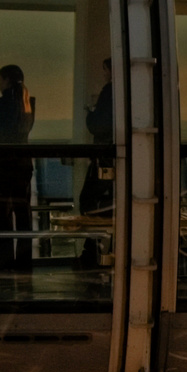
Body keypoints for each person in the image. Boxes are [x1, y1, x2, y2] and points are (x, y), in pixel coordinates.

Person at [0, 64, 36, 271]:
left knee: (2, 212)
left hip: (2, 164)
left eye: (0, 79)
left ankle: (3, 259)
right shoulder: (28, 103)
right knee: (23, 212)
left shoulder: (2, 104)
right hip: (23, 163)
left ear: (7, 80)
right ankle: (24, 260)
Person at [79, 58, 115, 267]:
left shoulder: (109, 91)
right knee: (109, 199)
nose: (104, 75)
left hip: (104, 157)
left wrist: (91, 113)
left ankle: (93, 247)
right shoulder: (126, 92)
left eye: (105, 70)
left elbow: (98, 125)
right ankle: (101, 244)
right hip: (112, 156)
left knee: (88, 199)